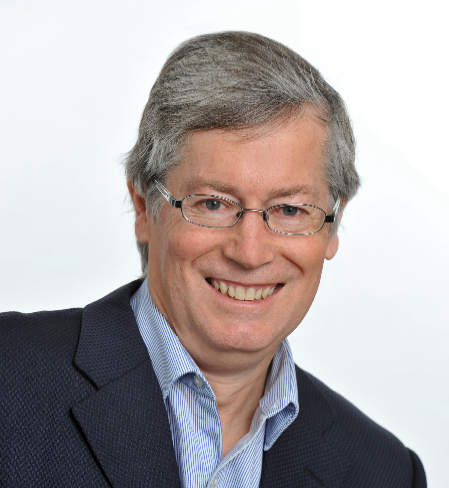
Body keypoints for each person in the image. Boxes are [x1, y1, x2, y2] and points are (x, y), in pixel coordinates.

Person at [0, 32, 426, 488]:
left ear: (332, 225)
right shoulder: (9, 379)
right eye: (213, 203)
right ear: (144, 207)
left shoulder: (384, 473)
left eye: (289, 210)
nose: (250, 253)